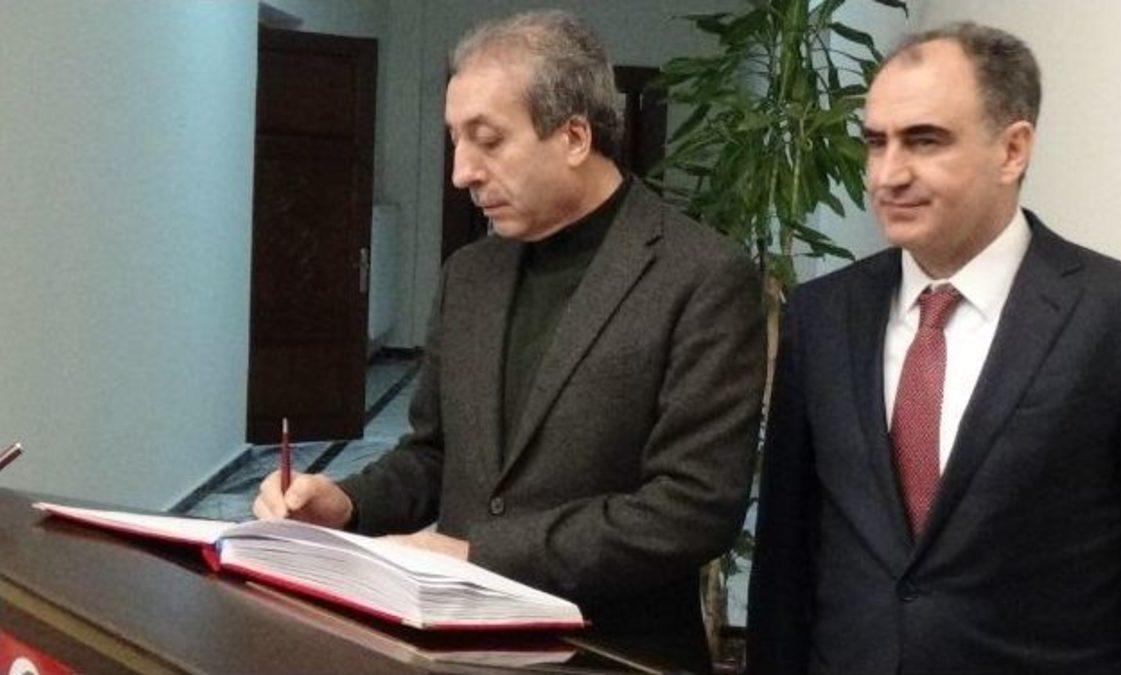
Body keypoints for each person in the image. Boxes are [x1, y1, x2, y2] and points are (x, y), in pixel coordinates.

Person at [254, 10, 765, 670]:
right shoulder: (469, 274)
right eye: (455, 140)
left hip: (609, 653)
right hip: (458, 648)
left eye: (487, 140)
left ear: (574, 136)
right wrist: (347, 501)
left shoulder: (702, 276)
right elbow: (434, 454)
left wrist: (482, 555)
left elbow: (690, 510)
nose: (461, 172)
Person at [747, 22, 1121, 674]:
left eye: (924, 141)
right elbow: (785, 562)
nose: (888, 174)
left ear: (1012, 150)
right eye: (876, 142)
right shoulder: (821, 316)